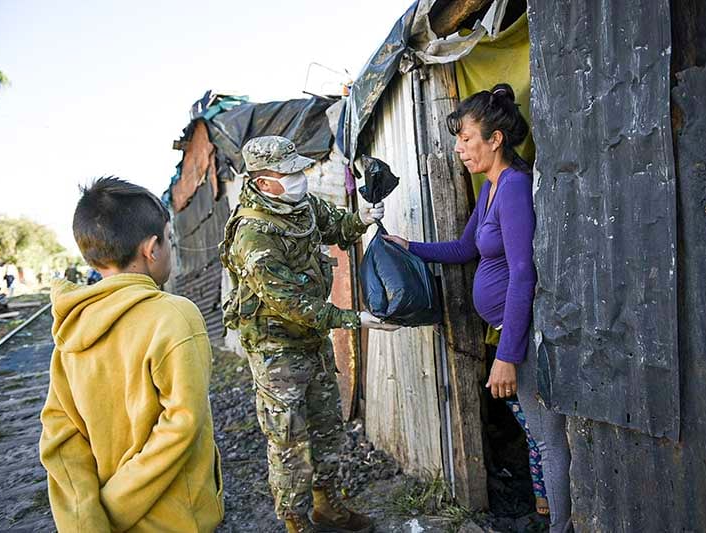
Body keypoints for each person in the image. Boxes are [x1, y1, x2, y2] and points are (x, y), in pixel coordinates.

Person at [385, 83, 571, 532]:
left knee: (549, 440)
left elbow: (524, 272)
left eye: (466, 138)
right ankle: (548, 515)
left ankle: (565, 525)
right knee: (534, 434)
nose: (459, 148)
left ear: (495, 139)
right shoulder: (489, 189)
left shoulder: (512, 187)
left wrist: (507, 355)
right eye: (459, 140)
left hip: (520, 335)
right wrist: (409, 247)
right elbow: (465, 247)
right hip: (509, 331)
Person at [221, 136, 398, 533]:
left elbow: (335, 225)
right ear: (264, 182)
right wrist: (355, 320)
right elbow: (289, 303)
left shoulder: (299, 206)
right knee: (288, 441)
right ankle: (295, 521)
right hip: (275, 349)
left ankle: (327, 507)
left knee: (325, 425)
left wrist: (363, 219)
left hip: (311, 340)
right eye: (290, 173)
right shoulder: (253, 234)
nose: (300, 178)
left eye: (301, 170)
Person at [39, 177, 224, 532]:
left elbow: (61, 438)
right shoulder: (174, 315)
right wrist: (116, 507)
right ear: (151, 248)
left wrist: (89, 520)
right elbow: (181, 425)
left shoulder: (71, 329)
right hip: (177, 521)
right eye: (169, 240)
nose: (169, 248)